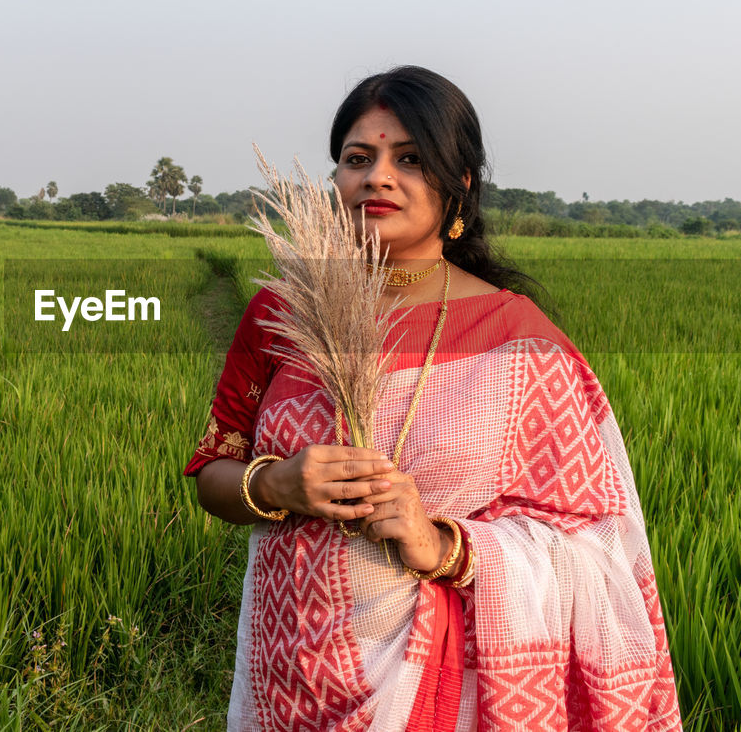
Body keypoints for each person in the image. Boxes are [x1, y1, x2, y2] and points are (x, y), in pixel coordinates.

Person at [184, 66, 682, 731]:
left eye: (410, 158)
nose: (377, 177)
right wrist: (275, 482)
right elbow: (211, 472)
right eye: (357, 159)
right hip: (291, 673)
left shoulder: (518, 339)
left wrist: (443, 543)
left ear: (461, 186)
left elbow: (598, 547)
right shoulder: (283, 311)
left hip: (445, 687)